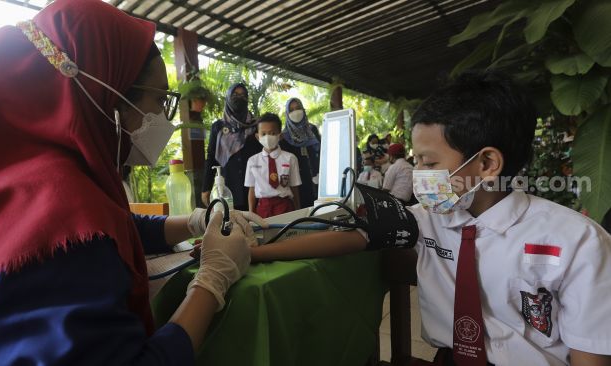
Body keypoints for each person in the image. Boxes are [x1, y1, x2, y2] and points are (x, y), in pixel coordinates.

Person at [0, 1, 266, 364]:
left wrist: (195, 221)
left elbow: (109, 228)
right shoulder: (61, 210)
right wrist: (211, 282)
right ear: (108, 93)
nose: (163, 120)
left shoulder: (19, 179)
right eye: (159, 99)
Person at [248, 71, 611, 365]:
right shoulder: (427, 218)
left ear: (486, 164)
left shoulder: (577, 243)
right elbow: (351, 234)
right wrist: (253, 250)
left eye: (429, 163)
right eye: (416, 160)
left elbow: (589, 355)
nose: (419, 173)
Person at [201, 83, 262, 211]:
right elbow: (211, 157)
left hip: (254, 188)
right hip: (228, 188)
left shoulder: (256, 125)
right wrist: (206, 188)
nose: (239, 98)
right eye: (235, 95)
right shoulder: (218, 127)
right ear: (228, 97)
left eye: (243, 95)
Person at [245, 113, 302, 218]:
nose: (268, 137)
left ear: (280, 136)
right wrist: (251, 215)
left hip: (285, 206)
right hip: (263, 208)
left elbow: (294, 187)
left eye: (272, 133)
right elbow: (251, 190)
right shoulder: (252, 161)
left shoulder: (290, 158)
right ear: (258, 137)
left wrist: (298, 211)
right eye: (264, 134)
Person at [279, 97, 321, 208]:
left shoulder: (312, 131)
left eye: (298, 108)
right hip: (298, 186)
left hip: (318, 183)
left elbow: (321, 153)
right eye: (291, 110)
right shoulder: (284, 138)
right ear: (287, 114)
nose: (295, 112)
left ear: (303, 109)